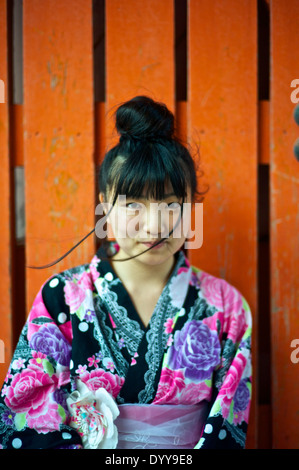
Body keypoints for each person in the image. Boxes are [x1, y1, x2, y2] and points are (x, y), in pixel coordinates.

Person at [0, 96, 252, 449]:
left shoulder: (225, 306)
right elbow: (29, 413)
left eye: (171, 204)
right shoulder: (62, 296)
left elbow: (228, 426)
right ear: (105, 203)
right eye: (133, 203)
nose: (154, 225)